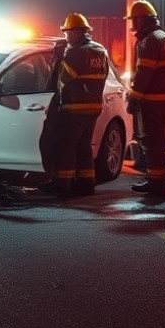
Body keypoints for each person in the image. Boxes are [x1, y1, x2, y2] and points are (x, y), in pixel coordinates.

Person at [37, 13, 108, 197]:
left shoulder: (76, 52)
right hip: (94, 107)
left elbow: (64, 78)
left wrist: (60, 58)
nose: (66, 36)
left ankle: (62, 183)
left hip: (75, 107)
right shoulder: (100, 50)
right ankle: (86, 183)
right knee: (83, 146)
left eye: (67, 32)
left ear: (76, 32)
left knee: (65, 145)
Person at [124, 0, 165, 197]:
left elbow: (143, 74)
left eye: (134, 21)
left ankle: (156, 184)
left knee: (152, 141)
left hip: (152, 100)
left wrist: (134, 99)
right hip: (164, 99)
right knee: (156, 141)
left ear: (141, 20)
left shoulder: (148, 41)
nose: (132, 26)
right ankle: (155, 180)